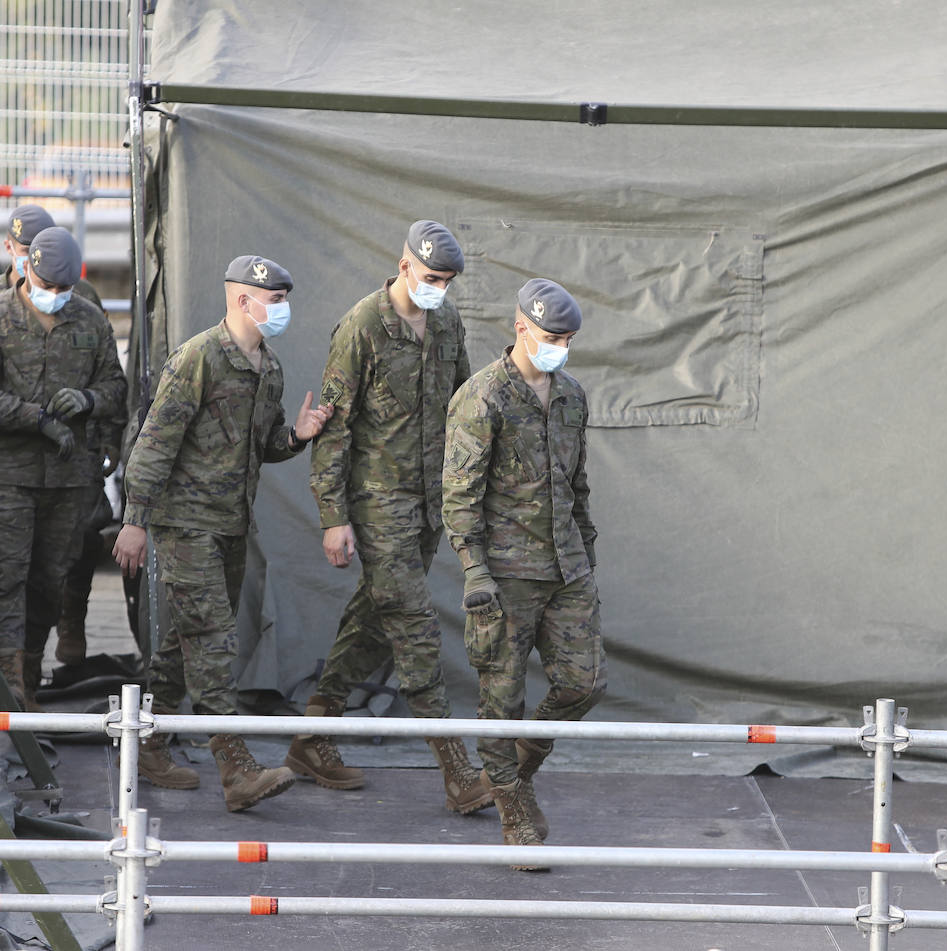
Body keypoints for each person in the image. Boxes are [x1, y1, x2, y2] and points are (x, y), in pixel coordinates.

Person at [113, 254, 333, 812]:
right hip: (184, 525)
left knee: (186, 637)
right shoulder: (198, 359)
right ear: (242, 299)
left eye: (284, 300)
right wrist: (135, 522)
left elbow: (260, 447)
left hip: (230, 525)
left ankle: (149, 743)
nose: (281, 310)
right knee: (212, 640)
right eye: (273, 300)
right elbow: (153, 443)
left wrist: (298, 436)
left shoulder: (269, 369)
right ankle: (236, 768)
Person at [287, 220, 491, 815]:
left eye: (447, 281)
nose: (438, 290)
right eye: (430, 278)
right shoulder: (362, 327)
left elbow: (461, 411)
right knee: (415, 627)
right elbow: (333, 429)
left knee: (375, 618)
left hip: (429, 504)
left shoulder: (448, 323)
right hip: (377, 505)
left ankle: (312, 736)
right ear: (404, 266)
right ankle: (457, 771)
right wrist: (333, 516)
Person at [441, 278, 606, 870]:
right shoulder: (482, 397)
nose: (559, 347)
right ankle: (515, 814)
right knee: (501, 697)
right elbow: (459, 497)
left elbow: (577, 484)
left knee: (582, 684)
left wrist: (586, 554)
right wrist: (474, 572)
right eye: (550, 336)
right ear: (520, 327)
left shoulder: (572, 397)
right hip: (505, 577)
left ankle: (508, 770)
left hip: (565, 569)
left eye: (567, 339)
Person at [0, 227, 127, 711]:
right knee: (6, 576)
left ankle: (30, 667)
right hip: (5, 473)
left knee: (51, 578)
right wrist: (39, 420)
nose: (55, 297)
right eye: (48, 287)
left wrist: (89, 400)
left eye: (64, 289)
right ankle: (10, 686)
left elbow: (116, 387)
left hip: (68, 479)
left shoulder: (90, 321)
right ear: (27, 269)